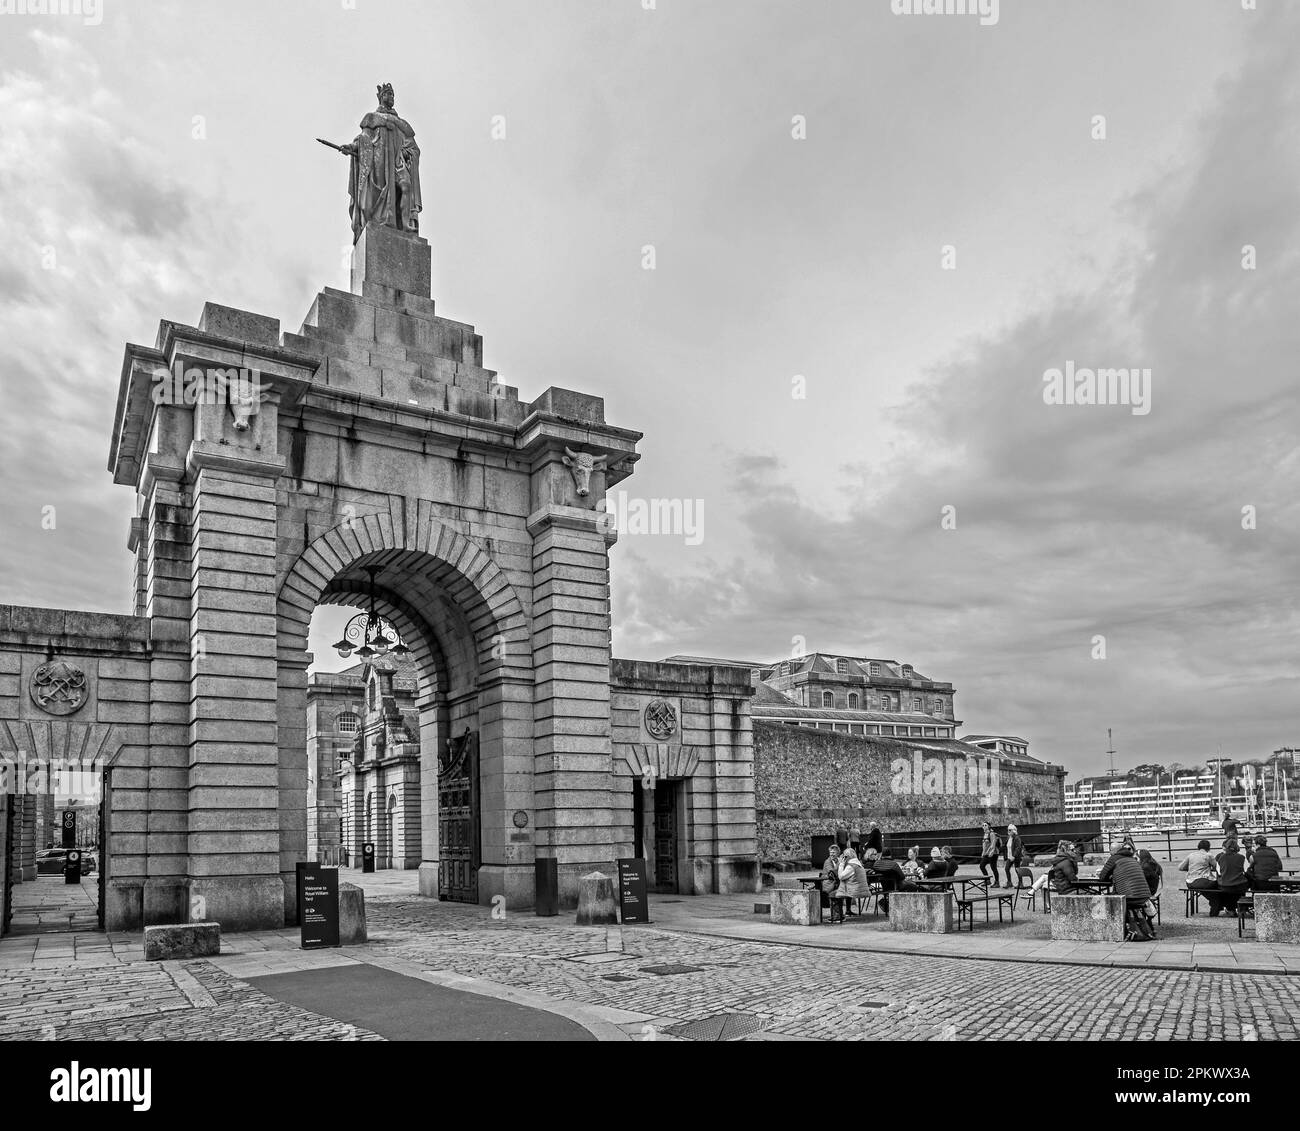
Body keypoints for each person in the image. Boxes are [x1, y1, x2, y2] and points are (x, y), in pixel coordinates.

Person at [1099, 843, 1157, 940]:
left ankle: (1113, 929)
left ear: (1114, 851)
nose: (1109, 852)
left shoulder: (1113, 858)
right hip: (1145, 897)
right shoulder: (1132, 859)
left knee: (1106, 899)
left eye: (1110, 850)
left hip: (1130, 897)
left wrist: (1111, 876)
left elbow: (1102, 878)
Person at [1207, 838, 1248, 917]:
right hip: (1239, 886)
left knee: (1227, 888)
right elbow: (1245, 871)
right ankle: (1242, 908)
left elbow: (1219, 872)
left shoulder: (1221, 858)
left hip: (1224, 886)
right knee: (1244, 884)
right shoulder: (1241, 857)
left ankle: (1230, 908)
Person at [835, 845, 871, 921]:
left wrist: (841, 864)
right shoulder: (858, 863)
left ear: (846, 857)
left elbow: (841, 877)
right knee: (843, 888)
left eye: (844, 856)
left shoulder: (851, 866)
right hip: (859, 888)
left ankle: (838, 916)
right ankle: (848, 911)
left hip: (855, 890)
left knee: (834, 893)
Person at [1178, 839, 1218, 907]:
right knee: (1217, 885)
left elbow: (1180, 867)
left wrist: (1192, 868)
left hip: (1191, 882)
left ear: (1198, 847)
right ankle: (1217, 903)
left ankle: (1215, 903)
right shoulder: (1208, 855)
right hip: (1205, 881)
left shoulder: (1191, 855)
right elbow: (1216, 866)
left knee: (1204, 888)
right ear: (1208, 848)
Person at [865, 848, 905, 913]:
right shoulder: (894, 864)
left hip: (884, 887)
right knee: (912, 886)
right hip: (896, 886)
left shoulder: (876, 864)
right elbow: (902, 877)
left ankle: (885, 901)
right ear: (890, 855)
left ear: (882, 855)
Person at [821, 843, 842, 922]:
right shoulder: (827, 862)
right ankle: (836, 916)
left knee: (840, 890)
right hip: (828, 884)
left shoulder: (837, 860)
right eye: (830, 852)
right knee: (835, 893)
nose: (832, 854)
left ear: (837, 853)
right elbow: (832, 872)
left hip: (835, 882)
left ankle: (839, 915)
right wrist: (839, 864)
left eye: (833, 852)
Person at [978, 821, 1002, 887]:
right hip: (986, 854)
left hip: (993, 853)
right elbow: (984, 844)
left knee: (993, 868)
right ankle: (987, 880)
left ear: (989, 826)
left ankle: (997, 882)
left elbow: (993, 844)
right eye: (983, 825)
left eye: (985, 825)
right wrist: (983, 852)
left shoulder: (991, 833)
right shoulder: (985, 834)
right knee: (982, 866)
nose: (984, 826)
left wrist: (991, 852)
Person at [1003, 824, 1024, 888]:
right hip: (1010, 857)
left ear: (1014, 831)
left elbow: (1018, 848)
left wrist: (1014, 856)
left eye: (1010, 830)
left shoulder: (1017, 838)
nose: (1008, 831)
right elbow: (1006, 847)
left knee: (1017, 870)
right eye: (1008, 830)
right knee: (1006, 869)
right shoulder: (1008, 838)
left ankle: (1020, 884)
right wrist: (1006, 857)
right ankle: (1009, 882)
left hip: (1016, 857)